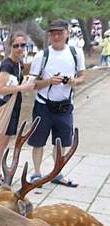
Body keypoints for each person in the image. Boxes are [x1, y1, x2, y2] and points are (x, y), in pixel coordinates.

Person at [28, 19, 85, 188]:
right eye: (53, 33)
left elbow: (82, 77)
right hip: (43, 105)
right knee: (38, 142)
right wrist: (49, 81)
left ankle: (57, 173)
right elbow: (32, 84)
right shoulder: (42, 56)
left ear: (67, 33)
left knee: (62, 143)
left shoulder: (76, 53)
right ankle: (37, 174)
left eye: (60, 32)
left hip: (65, 106)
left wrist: (74, 81)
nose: (56, 36)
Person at [0, 32, 35, 187]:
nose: (20, 48)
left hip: (13, 107)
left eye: (23, 45)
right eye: (16, 45)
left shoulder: (18, 63)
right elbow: (0, 88)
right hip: (5, 107)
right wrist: (23, 87)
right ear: (10, 46)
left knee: (4, 141)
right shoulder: (7, 64)